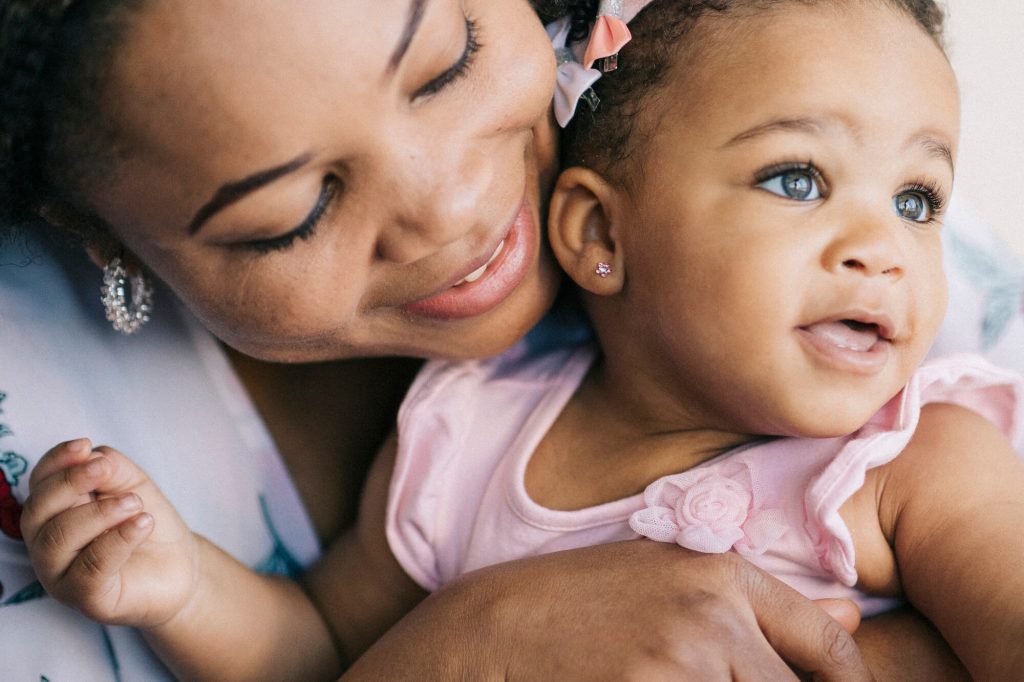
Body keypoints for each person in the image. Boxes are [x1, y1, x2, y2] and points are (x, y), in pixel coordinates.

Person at [1, 0, 969, 679]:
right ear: (102, 234)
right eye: (294, 211)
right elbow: (317, 646)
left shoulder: (894, 410)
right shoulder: (459, 437)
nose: (455, 208)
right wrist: (186, 591)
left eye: (447, 63)